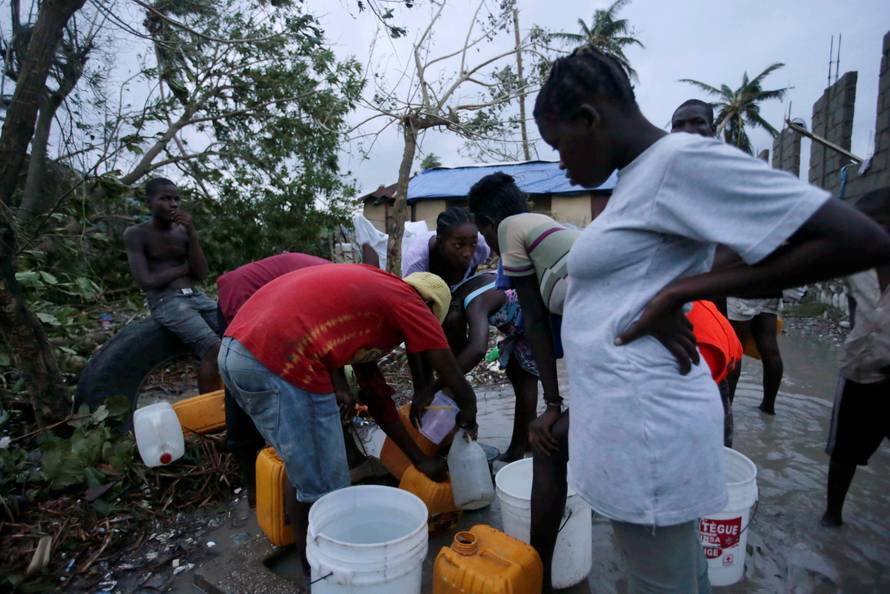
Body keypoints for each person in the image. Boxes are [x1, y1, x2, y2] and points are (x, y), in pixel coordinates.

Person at [532, 45, 890, 593]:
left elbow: (856, 238)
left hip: (648, 433)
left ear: (589, 119)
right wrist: (677, 285)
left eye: (559, 144)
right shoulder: (641, 177)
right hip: (633, 425)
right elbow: (708, 254)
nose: (560, 163)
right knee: (684, 577)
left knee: (663, 584)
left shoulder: (681, 161)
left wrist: (682, 291)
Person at [219, 264, 479, 581]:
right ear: (430, 309)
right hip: (278, 357)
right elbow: (450, 369)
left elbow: (378, 400)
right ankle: (323, 576)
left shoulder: (372, 304)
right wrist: (469, 410)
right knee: (328, 489)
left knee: (304, 469)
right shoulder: (410, 301)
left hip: (238, 350)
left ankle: (309, 567)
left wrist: (419, 460)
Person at [467, 172, 577, 590]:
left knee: (549, 446)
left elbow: (532, 318)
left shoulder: (512, 229)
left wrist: (551, 404)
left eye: (481, 232)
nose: (485, 242)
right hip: (620, 328)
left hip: (610, 335)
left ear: (488, 222)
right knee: (562, 439)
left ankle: (539, 578)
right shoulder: (549, 229)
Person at [673, 100, 789, 417]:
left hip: (722, 289)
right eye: (678, 125)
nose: (687, 131)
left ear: (713, 130)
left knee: (728, 352)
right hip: (695, 293)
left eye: (696, 122)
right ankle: (755, 409)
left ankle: (725, 410)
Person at [822, 187, 890, 527]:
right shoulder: (855, 264)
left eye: (875, 225)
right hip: (859, 371)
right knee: (843, 451)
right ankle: (832, 516)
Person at [124, 177, 220, 393]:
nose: (173, 204)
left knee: (237, 337)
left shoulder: (182, 232)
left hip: (196, 296)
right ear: (149, 203)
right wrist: (183, 269)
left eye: (176, 199)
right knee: (214, 349)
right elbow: (145, 281)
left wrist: (192, 233)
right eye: (165, 198)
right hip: (167, 300)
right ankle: (209, 414)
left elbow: (202, 273)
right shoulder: (137, 234)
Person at [439, 271, 539, 463]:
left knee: (524, 379)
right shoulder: (463, 289)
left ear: (452, 306)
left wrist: (437, 385)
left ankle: (517, 451)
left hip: (533, 319)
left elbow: (477, 349)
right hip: (523, 319)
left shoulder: (473, 303)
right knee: (519, 375)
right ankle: (527, 439)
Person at [401, 206, 490, 287]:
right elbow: (412, 298)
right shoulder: (416, 262)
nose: (467, 253)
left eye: (473, 244)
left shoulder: (481, 246)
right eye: (458, 245)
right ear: (440, 241)